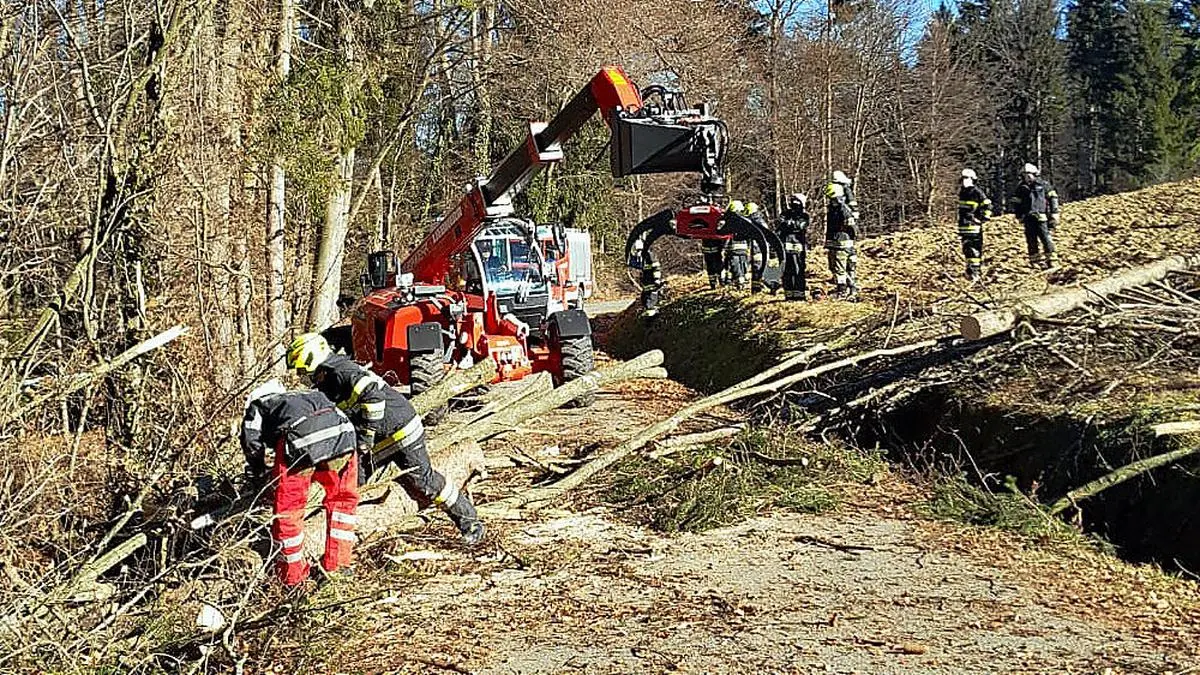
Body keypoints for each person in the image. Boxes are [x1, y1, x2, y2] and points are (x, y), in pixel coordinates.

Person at [287, 334, 486, 546]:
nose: (302, 376)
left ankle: (470, 522)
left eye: (302, 371)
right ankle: (342, 541)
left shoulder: (342, 371)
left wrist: (366, 436)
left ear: (313, 361)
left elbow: (374, 397)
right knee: (352, 486)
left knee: (423, 481)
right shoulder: (329, 381)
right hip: (378, 440)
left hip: (401, 431)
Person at [241, 380, 359, 586]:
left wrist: (259, 474)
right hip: (344, 436)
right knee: (342, 502)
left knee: (289, 513)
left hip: (301, 443)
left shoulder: (258, 405)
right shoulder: (307, 395)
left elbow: (251, 443)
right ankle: (339, 565)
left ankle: (292, 578)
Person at [1011, 163, 1061, 269]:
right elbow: (1016, 203)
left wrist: (1054, 213)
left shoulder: (1043, 185)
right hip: (1028, 217)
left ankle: (1052, 259)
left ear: (1035, 174)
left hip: (1042, 217)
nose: (1027, 177)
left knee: (1045, 238)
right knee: (1031, 240)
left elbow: (1053, 198)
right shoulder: (1021, 188)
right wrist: (1018, 215)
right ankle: (1035, 261)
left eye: (1029, 174)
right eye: (1025, 175)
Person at [824, 171, 859, 299]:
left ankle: (842, 291)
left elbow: (850, 223)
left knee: (840, 268)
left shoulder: (841, 208)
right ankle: (851, 289)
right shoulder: (838, 207)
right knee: (844, 267)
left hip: (840, 243)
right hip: (841, 242)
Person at [957, 169, 992, 280]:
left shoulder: (976, 192)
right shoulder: (963, 192)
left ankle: (975, 273)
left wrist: (982, 218)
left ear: (972, 179)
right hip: (964, 227)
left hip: (973, 227)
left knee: (974, 250)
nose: (964, 181)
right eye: (963, 178)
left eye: (966, 178)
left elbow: (987, 205)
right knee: (967, 249)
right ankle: (969, 271)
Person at [777, 193, 810, 301]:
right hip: (785, 249)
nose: (794, 204)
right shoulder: (785, 214)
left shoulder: (804, 216)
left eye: (796, 201)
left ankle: (799, 295)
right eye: (793, 201)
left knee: (798, 271)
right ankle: (789, 294)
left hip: (798, 249)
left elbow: (800, 226)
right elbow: (780, 224)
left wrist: (789, 224)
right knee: (787, 271)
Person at [724, 200, 751, 290]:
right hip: (743, 249)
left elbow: (725, 236)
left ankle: (739, 283)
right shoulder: (745, 221)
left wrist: (724, 249)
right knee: (743, 266)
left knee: (736, 267)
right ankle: (744, 282)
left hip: (733, 250)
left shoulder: (728, 221)